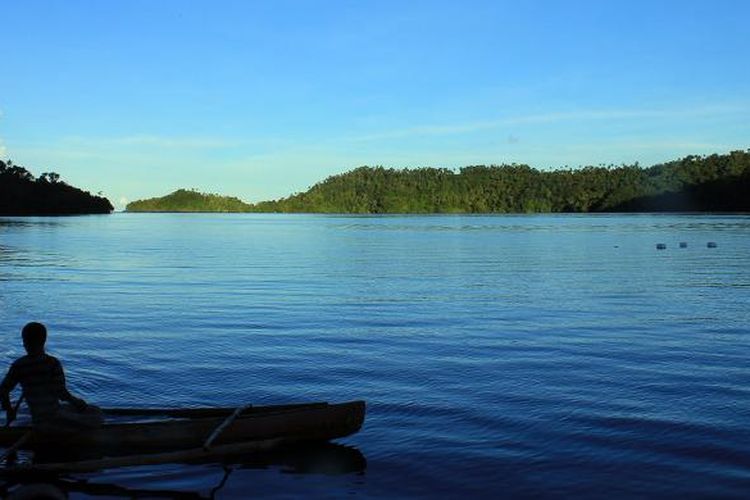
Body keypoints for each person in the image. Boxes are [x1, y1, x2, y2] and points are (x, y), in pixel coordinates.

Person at [0, 322, 103, 433]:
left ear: (24, 342)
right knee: (96, 413)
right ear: (44, 341)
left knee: (82, 410)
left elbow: (3, 390)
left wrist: (9, 410)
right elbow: (62, 394)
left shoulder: (19, 365)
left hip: (38, 418)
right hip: (54, 418)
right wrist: (78, 403)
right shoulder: (52, 363)